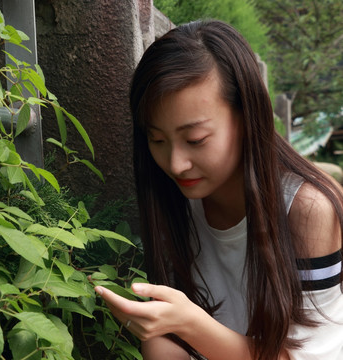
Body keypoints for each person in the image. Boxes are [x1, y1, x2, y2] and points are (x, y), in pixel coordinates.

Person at [94, 19, 343, 360]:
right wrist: (159, 329)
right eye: (157, 139)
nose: (176, 163)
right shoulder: (176, 196)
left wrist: (188, 323)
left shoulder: (306, 209)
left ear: (246, 116)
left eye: (195, 140)